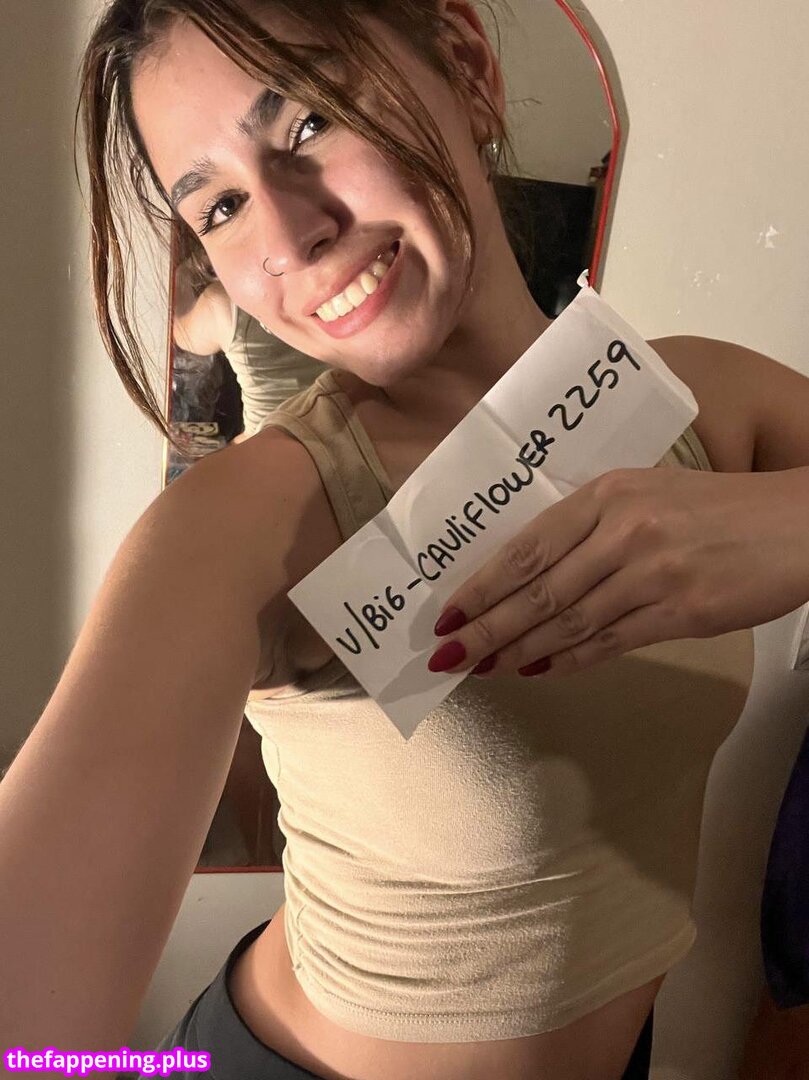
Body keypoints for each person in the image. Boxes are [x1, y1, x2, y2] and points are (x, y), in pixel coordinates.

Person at [3, 2, 809, 1079]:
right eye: (221, 207)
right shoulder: (246, 524)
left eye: (307, 122)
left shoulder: (700, 398)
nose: (286, 235)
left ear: (467, 67)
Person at [172, 259, 329, 438]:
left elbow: (179, 333)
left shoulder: (222, 307)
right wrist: (193, 266)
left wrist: (190, 268)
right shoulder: (222, 308)